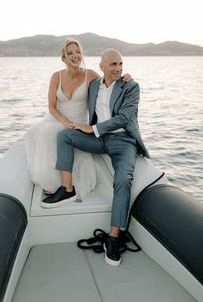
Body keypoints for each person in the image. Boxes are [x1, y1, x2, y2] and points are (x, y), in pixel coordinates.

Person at [42, 48, 150, 267]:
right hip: (100, 140)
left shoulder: (131, 87)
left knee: (122, 180)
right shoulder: (93, 85)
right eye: (113, 65)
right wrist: (86, 129)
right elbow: (76, 77)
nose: (118, 69)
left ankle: (113, 237)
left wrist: (93, 129)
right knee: (65, 136)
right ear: (101, 66)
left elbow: (123, 118)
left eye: (120, 64)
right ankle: (67, 189)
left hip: (123, 142)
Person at [25, 39, 132, 200]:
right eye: (70, 53)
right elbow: (52, 106)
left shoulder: (91, 75)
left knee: (59, 135)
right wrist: (65, 122)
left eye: (78, 52)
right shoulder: (56, 77)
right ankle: (54, 184)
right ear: (63, 58)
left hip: (79, 123)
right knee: (41, 132)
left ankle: (67, 188)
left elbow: (110, 79)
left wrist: (126, 76)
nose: (75, 56)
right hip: (58, 119)